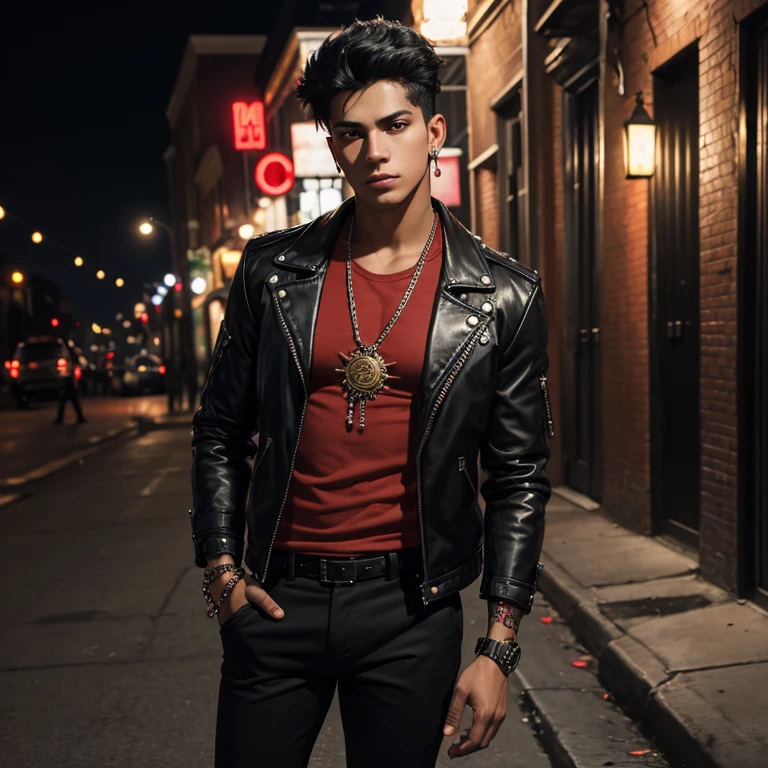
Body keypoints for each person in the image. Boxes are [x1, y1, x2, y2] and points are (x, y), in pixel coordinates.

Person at [191, 18, 552, 768]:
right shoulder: (272, 271)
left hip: (410, 610)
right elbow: (220, 431)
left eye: (395, 124)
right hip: (276, 596)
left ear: (434, 129)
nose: (375, 151)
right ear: (331, 144)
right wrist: (222, 572)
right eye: (351, 133)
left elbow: (519, 473)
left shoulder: (502, 295)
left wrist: (499, 645)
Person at [54, 350, 86, 425]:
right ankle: (80, 417)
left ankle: (60, 418)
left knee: (66, 401)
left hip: (67, 379)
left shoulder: (67, 357)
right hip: (68, 379)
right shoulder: (69, 356)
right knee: (72, 400)